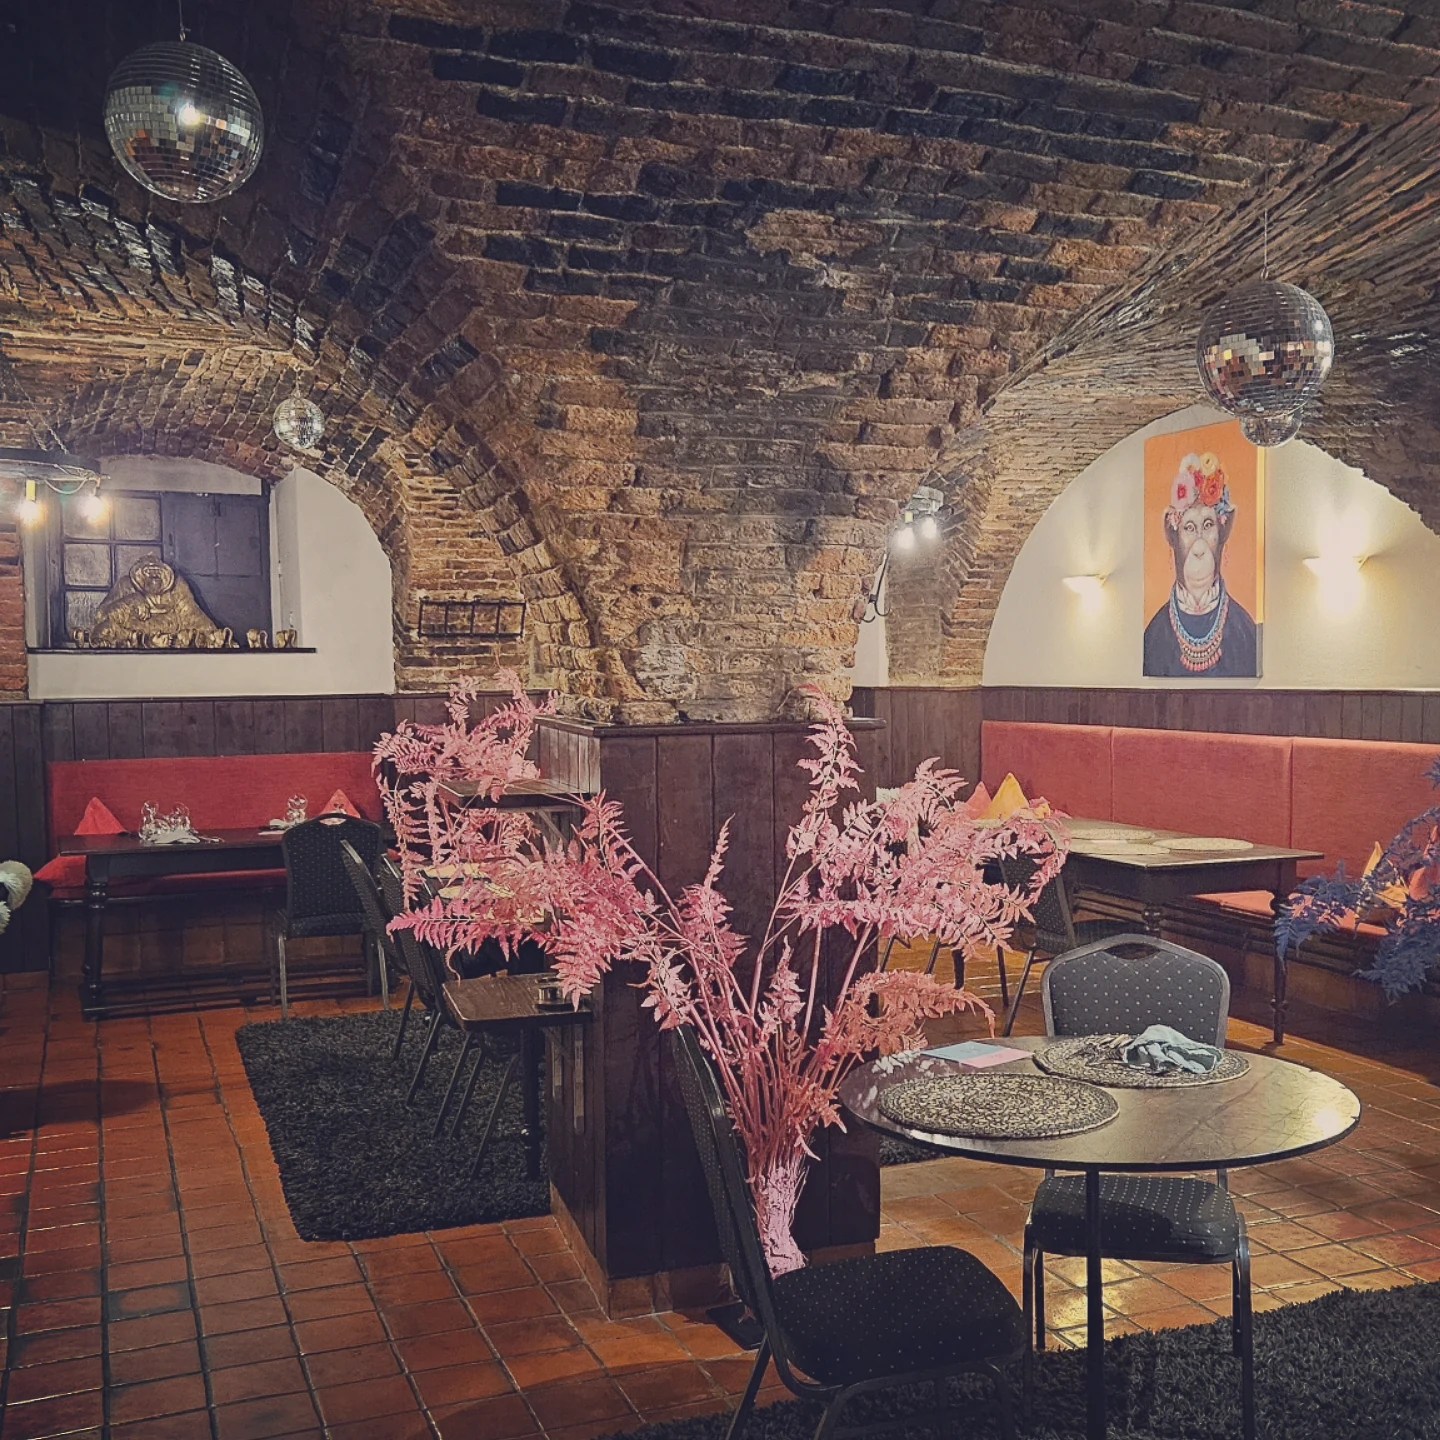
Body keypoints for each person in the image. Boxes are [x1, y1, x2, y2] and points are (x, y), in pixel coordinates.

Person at [1143, 450, 1257, 677]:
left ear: (1222, 532)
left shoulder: (1244, 630)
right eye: (1189, 528)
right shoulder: (1154, 635)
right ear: (1173, 536)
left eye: (1207, 526)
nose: (1199, 548)